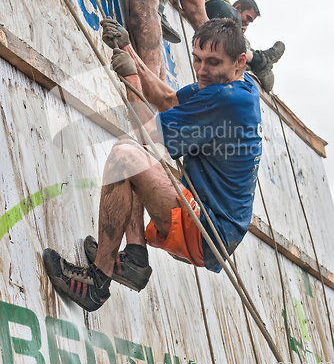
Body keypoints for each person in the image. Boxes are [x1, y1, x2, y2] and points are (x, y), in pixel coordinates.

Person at [43, 17, 263, 312]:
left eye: (213, 62)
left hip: (208, 230)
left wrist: (131, 78)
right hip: (212, 223)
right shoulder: (240, 84)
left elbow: (145, 134)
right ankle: (134, 259)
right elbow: (168, 100)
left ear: (240, 61)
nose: (202, 71)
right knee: (135, 162)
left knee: (125, 155)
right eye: (197, 60)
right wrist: (128, 49)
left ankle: (98, 280)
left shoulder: (228, 100)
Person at [205, 0, 285, 92]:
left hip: (217, 6)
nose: (247, 23)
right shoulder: (230, 13)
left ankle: (257, 61)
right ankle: (260, 60)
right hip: (217, 6)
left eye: (250, 21)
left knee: (240, 42)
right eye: (247, 18)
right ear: (237, 8)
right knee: (234, 40)